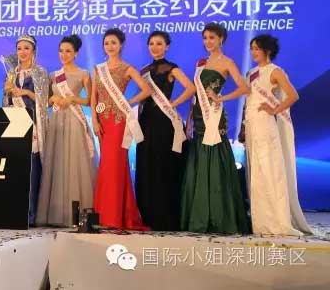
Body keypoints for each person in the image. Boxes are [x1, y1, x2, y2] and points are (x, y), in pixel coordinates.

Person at [180, 22, 250, 234]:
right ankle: (199, 214)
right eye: (205, 38)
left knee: (215, 160)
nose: (208, 42)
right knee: (199, 161)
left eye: (212, 37)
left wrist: (221, 98)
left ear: (221, 39)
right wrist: (189, 121)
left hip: (214, 117)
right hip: (198, 116)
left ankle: (219, 216)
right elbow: (195, 95)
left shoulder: (227, 62)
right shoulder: (201, 62)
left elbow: (244, 88)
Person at [243, 34, 312, 235]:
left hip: (266, 125)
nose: (253, 52)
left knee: (270, 170)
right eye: (252, 48)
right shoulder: (251, 73)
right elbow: (249, 100)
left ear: (268, 50)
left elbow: (293, 95)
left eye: (257, 48)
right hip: (252, 125)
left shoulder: (275, 71)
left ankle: (278, 221)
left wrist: (275, 109)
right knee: (257, 172)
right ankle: (262, 221)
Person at [135, 31, 195, 231]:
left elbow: (191, 88)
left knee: (163, 166)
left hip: (164, 122)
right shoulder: (144, 70)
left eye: (159, 43)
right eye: (151, 43)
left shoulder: (171, 68)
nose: (155, 47)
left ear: (167, 46)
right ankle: (148, 214)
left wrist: (173, 103)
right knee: (147, 165)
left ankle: (165, 216)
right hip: (146, 121)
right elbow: (142, 97)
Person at [91, 28, 151, 230]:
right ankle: (105, 214)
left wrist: (128, 102)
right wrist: (94, 120)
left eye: (113, 43)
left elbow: (147, 90)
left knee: (116, 166)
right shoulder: (98, 69)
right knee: (105, 166)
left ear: (121, 45)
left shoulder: (127, 68)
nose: (110, 46)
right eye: (106, 43)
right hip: (102, 121)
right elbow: (93, 97)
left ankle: (116, 216)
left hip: (118, 122)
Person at [37, 34, 95, 227]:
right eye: (61, 51)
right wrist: (52, 99)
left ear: (76, 53)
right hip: (57, 122)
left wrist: (73, 99)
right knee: (57, 163)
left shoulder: (84, 74)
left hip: (75, 120)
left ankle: (76, 215)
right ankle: (56, 213)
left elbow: (90, 100)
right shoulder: (53, 75)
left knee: (74, 165)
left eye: (68, 51)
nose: (64, 54)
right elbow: (44, 102)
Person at [2, 34, 48, 226]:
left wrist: (26, 92)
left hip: (33, 124)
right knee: (16, 169)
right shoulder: (11, 73)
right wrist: (8, 93)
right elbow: (6, 100)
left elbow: (44, 101)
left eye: (26, 48)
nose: (22, 52)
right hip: (16, 123)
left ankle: (31, 214)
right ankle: (13, 211)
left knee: (32, 169)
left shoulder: (40, 72)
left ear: (33, 51)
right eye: (19, 48)